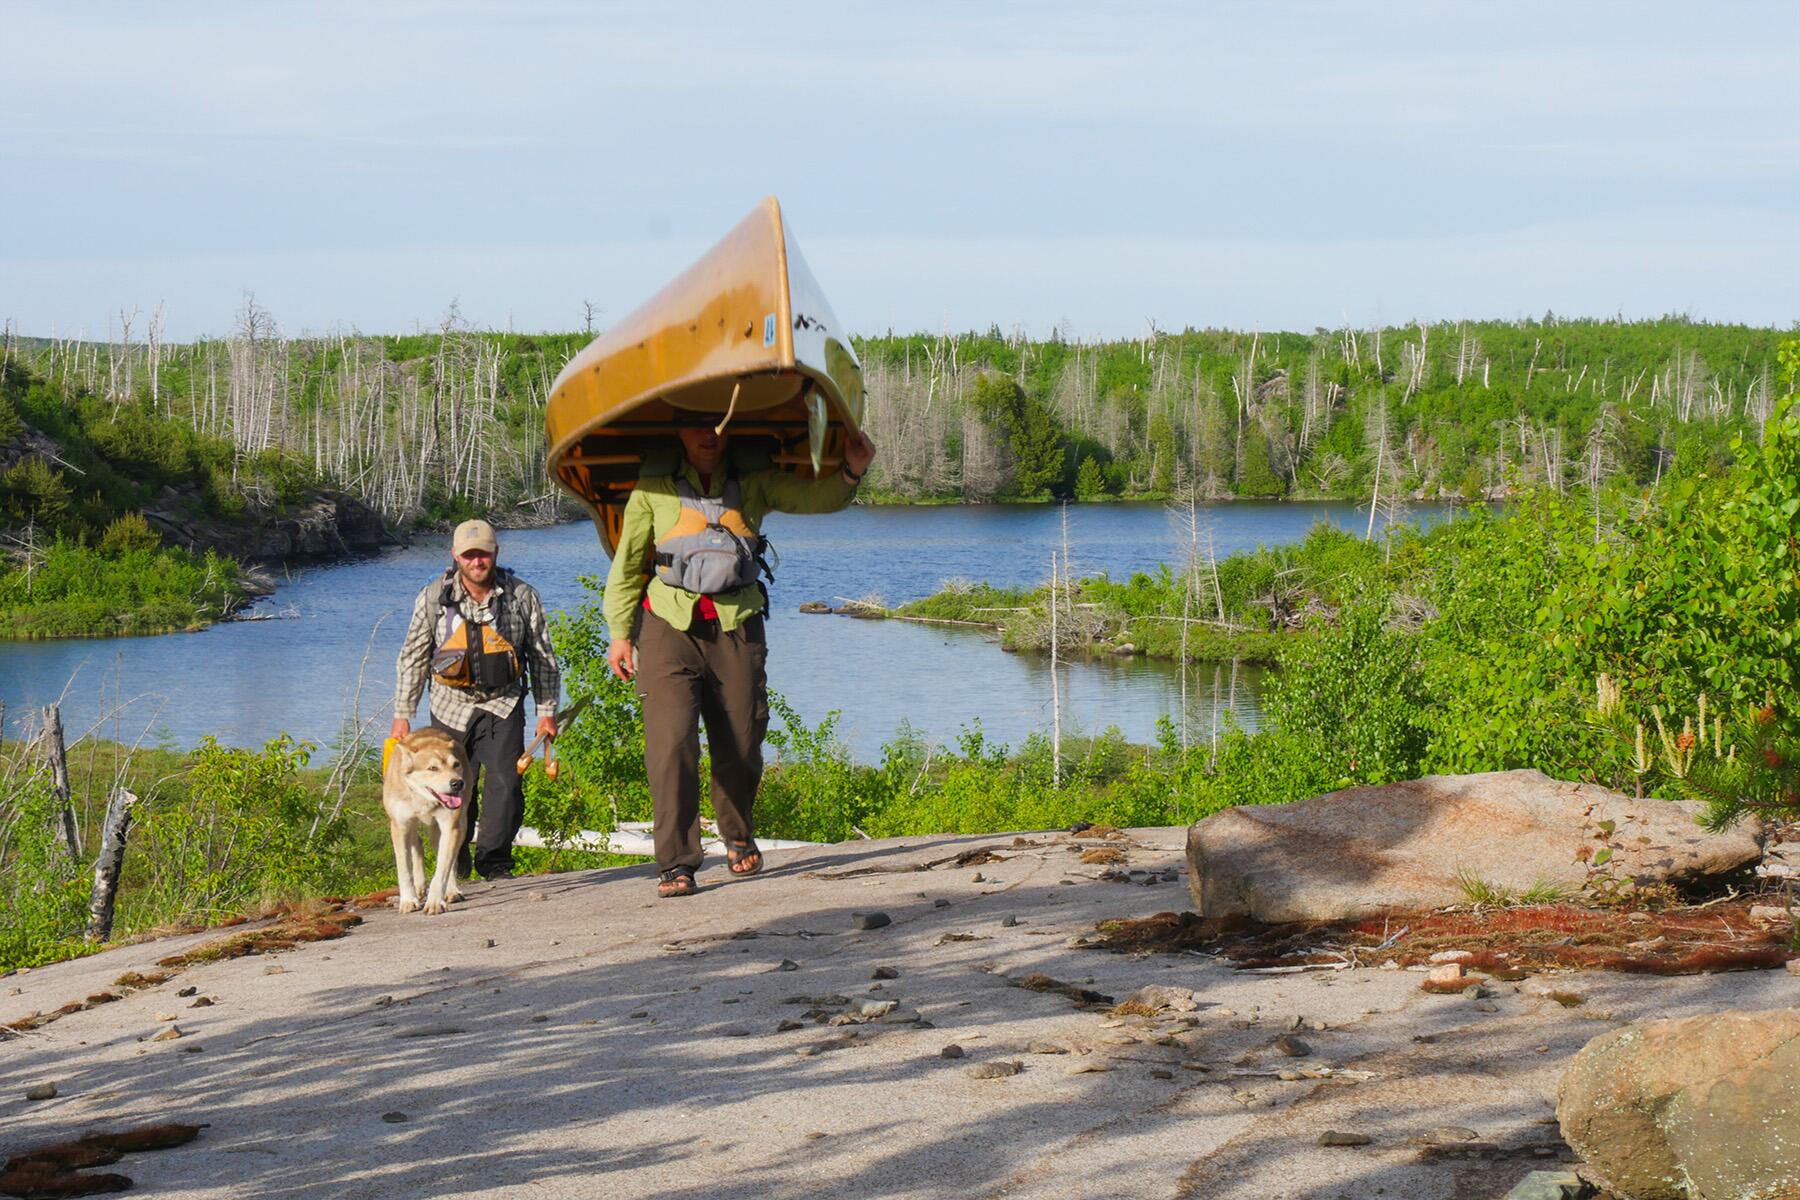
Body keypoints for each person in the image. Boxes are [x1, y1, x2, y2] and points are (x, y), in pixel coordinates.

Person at [605, 416, 876, 897]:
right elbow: (627, 565)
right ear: (679, 434)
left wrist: (852, 471)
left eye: (718, 425)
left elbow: (815, 499)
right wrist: (620, 634)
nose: (708, 435)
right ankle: (677, 862)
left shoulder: (753, 483)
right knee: (671, 746)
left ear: (731, 431)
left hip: (738, 624)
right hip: (668, 626)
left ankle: (736, 834)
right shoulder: (653, 490)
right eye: (696, 426)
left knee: (743, 742)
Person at [392, 518, 561, 882]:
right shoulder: (433, 597)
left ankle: (495, 863)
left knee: (506, 784)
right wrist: (403, 713)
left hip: (504, 703)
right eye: (469, 555)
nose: (477, 562)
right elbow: (413, 656)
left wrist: (546, 712)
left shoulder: (522, 596)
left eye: (483, 554)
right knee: (451, 785)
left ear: (495, 553)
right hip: (450, 705)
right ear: (455, 555)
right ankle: (454, 865)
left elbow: (543, 657)